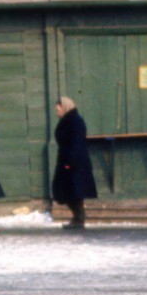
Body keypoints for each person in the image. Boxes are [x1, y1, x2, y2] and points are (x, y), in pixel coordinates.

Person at [50, 97, 96, 230]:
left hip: (74, 163)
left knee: (73, 191)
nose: (57, 113)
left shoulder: (75, 121)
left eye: (58, 110)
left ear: (64, 107)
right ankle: (78, 217)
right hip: (68, 161)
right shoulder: (68, 120)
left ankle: (79, 218)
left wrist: (70, 162)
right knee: (67, 191)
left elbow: (76, 143)